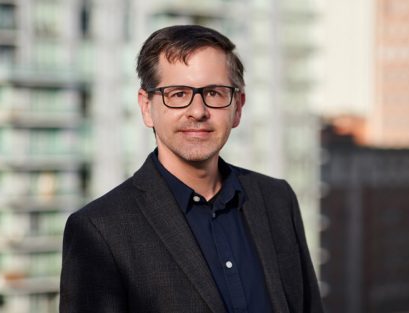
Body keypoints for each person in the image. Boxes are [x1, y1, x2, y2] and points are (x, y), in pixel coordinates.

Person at [60, 25, 324, 313]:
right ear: (147, 107)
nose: (198, 111)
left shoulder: (277, 200)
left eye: (214, 92)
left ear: (237, 107)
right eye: (177, 94)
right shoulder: (100, 230)